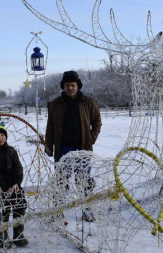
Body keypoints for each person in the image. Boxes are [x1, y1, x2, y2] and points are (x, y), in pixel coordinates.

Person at [45, 70, 102, 222]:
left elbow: (97, 122)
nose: (70, 88)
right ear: (63, 86)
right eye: (67, 85)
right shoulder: (56, 104)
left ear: (78, 86)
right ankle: (58, 210)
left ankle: (87, 210)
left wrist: (91, 138)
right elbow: (50, 126)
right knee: (61, 182)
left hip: (82, 149)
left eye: (73, 85)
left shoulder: (88, 102)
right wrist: (49, 145)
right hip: (62, 149)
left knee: (84, 181)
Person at [0, 124, 28, 248]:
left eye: (2, 135)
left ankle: (18, 234)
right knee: (4, 204)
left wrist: (17, 184)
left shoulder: (11, 151)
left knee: (21, 201)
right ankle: (4, 234)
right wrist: (3, 187)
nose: (0, 138)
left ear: (6, 137)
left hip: (13, 185)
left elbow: (18, 168)